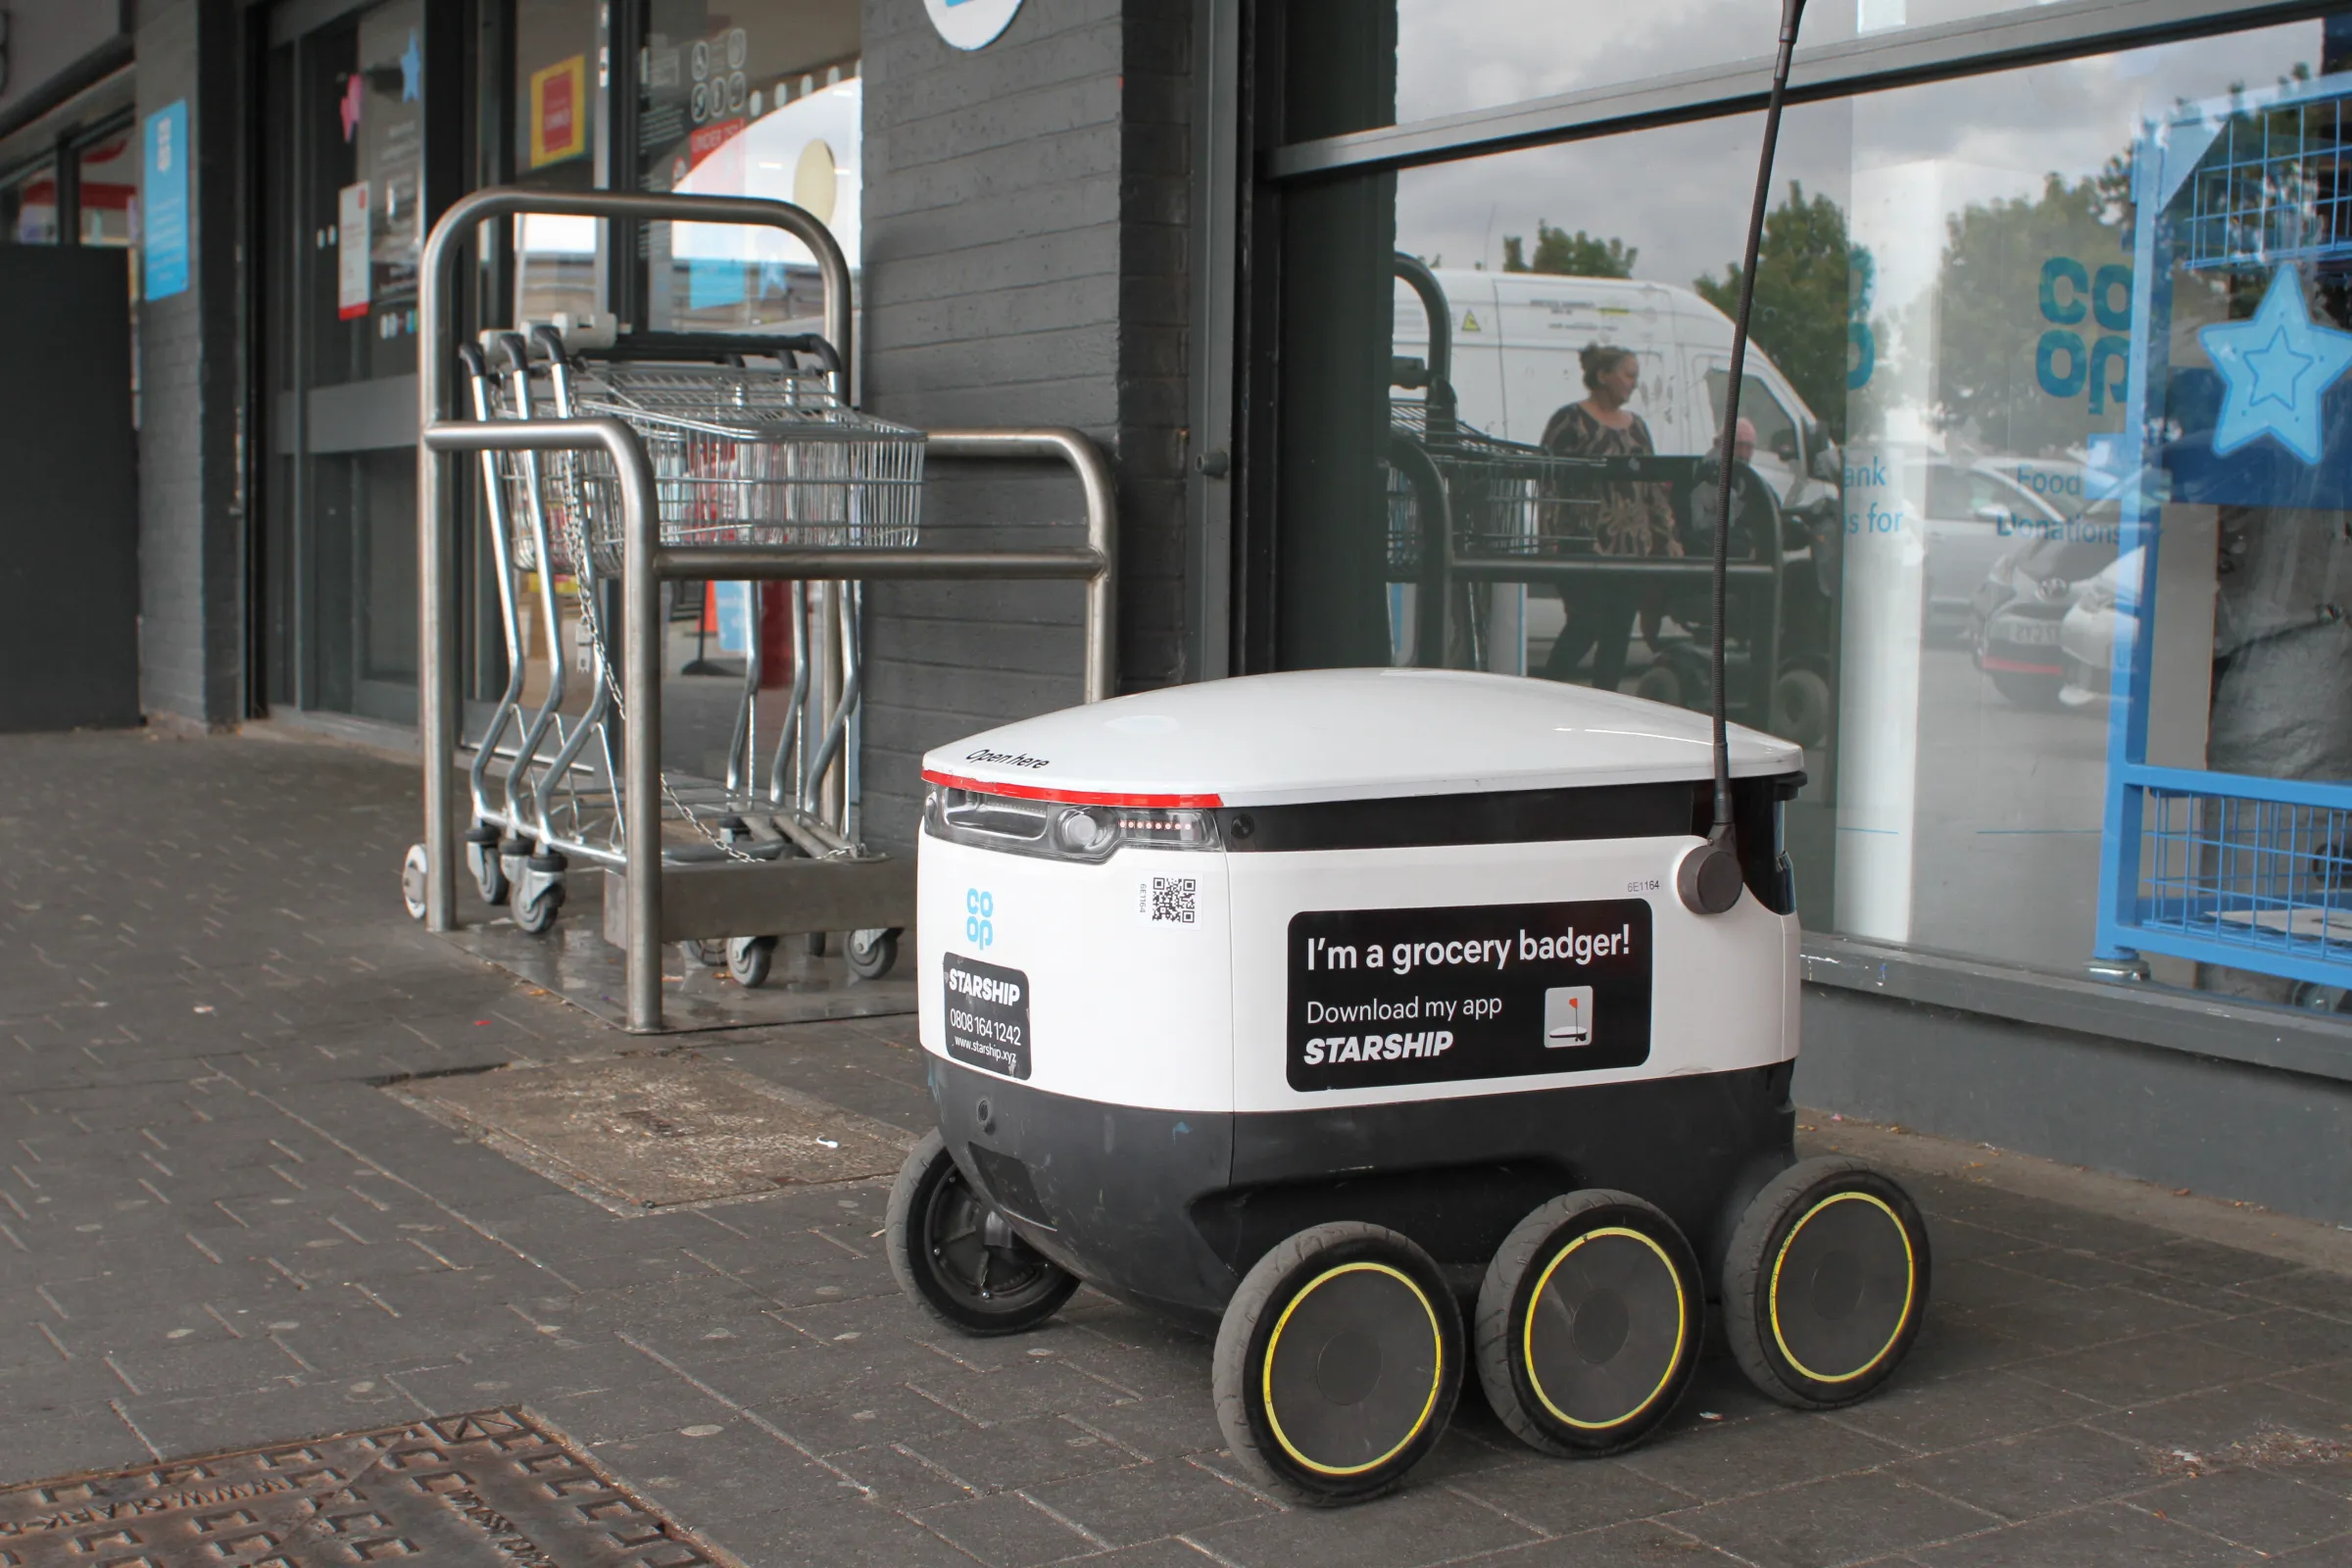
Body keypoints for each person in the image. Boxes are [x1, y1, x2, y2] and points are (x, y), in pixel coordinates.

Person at [1538, 344, 1680, 687]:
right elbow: (1548, 480)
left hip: (1632, 548)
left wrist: (1668, 537)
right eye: (1628, 375)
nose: (1633, 384)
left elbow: (1653, 489)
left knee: (1617, 633)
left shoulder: (1638, 428)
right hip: (1584, 542)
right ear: (1603, 376)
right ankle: (1547, 688)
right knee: (1586, 623)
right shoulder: (1570, 420)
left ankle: (1606, 705)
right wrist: (1549, 535)